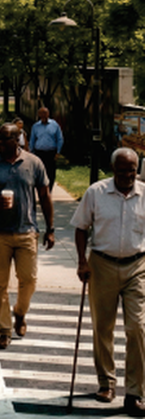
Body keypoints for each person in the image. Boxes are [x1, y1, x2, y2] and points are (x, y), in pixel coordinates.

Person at [71, 148, 145, 413]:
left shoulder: (144, 194)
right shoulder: (96, 193)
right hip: (101, 264)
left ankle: (135, 392)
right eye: (122, 169)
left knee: (137, 328)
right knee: (103, 327)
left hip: (137, 266)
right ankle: (106, 383)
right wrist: (82, 261)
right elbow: (81, 227)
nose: (127, 175)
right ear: (113, 169)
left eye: (132, 169)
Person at [0, 123, 54, 350]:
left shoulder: (33, 163)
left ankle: (20, 312)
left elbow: (45, 196)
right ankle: (4, 330)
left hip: (27, 231)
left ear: (17, 139)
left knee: (28, 280)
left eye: (5, 140)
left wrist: (50, 229)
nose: (0, 144)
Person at [29, 106, 65, 190]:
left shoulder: (54, 125)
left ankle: (49, 190)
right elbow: (32, 140)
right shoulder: (35, 126)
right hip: (39, 152)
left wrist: (58, 152)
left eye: (45, 113)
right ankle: (40, 190)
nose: (43, 115)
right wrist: (32, 152)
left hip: (51, 152)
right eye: (41, 113)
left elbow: (60, 139)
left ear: (48, 114)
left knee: (51, 173)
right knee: (39, 173)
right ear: (39, 114)